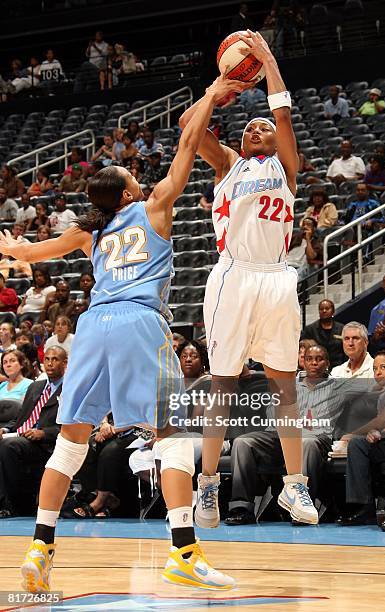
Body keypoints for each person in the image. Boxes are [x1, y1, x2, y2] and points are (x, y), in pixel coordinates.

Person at [0, 74, 245, 592]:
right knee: (172, 433)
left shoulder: (88, 232)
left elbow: (25, 252)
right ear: (129, 190)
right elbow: (186, 143)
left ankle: (40, 546)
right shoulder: (154, 204)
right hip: (138, 321)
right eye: (132, 176)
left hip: (90, 328)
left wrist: (11, 251)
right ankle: (183, 550)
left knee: (71, 442)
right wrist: (212, 92)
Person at [179, 30, 318, 529]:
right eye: (251, 128)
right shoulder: (227, 166)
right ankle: (209, 488)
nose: (259, 129)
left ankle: (295, 488)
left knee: (286, 387)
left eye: (264, 127)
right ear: (239, 141)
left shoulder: (287, 168)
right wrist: (220, 88)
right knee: (223, 387)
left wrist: (269, 60)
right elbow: (185, 124)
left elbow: (282, 112)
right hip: (233, 278)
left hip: (277, 279)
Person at [224, 345, 342, 525]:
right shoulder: (288, 384)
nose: (314, 363)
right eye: (309, 359)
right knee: (243, 442)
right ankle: (241, 508)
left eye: (319, 359)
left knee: (307, 442)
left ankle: (303, 505)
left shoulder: (338, 387)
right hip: (281, 435)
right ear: (303, 362)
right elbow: (272, 413)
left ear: (327, 363)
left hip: (316, 438)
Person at [338, 350, 385, 527]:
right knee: (358, 444)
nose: (377, 372)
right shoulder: (383, 396)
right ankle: (363, 507)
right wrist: (374, 433)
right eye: (375, 368)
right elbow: (384, 427)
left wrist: (354, 432)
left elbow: (383, 419)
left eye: (383, 367)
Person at [0, 347, 66, 518]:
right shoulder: (36, 386)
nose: (50, 363)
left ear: (65, 363)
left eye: (55, 359)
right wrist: (6, 428)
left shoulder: (71, 389)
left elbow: (72, 426)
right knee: (7, 441)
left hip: (47, 444)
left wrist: (44, 433)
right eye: (47, 359)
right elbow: (21, 418)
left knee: (9, 446)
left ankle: (13, 504)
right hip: (21, 435)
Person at [301, 299, 345, 368]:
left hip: (338, 366)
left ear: (333, 311)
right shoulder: (310, 329)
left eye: (327, 308)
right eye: (321, 309)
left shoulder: (342, 328)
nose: (324, 311)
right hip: (316, 367)